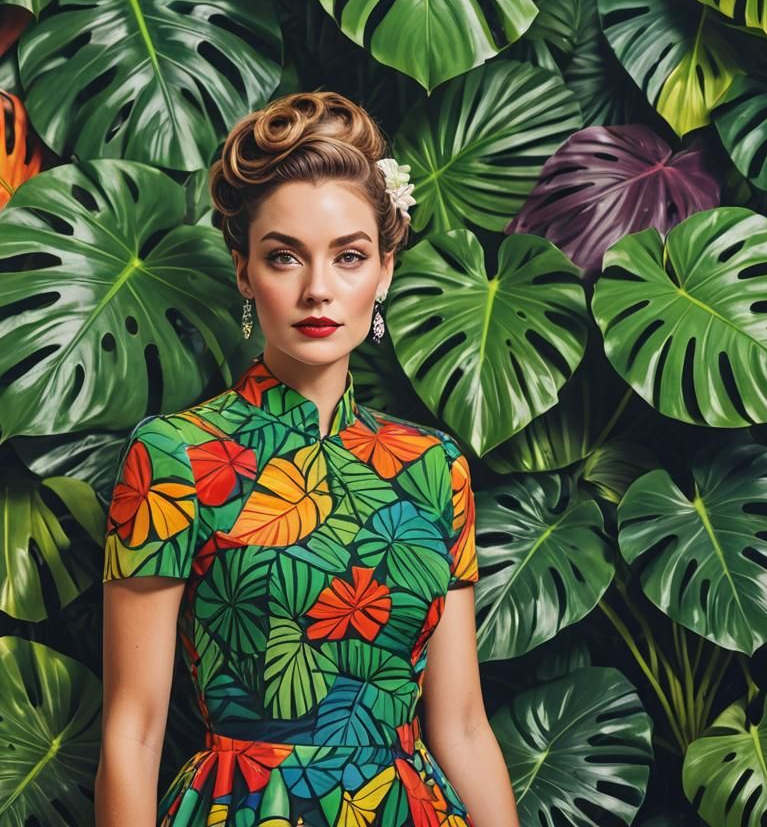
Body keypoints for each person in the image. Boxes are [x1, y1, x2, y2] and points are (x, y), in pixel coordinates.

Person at [96, 92, 519, 827]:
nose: (317, 289)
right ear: (242, 271)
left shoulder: (434, 466)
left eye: (349, 256)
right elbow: (132, 731)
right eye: (284, 256)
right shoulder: (174, 457)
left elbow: (463, 728)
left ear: (384, 272)